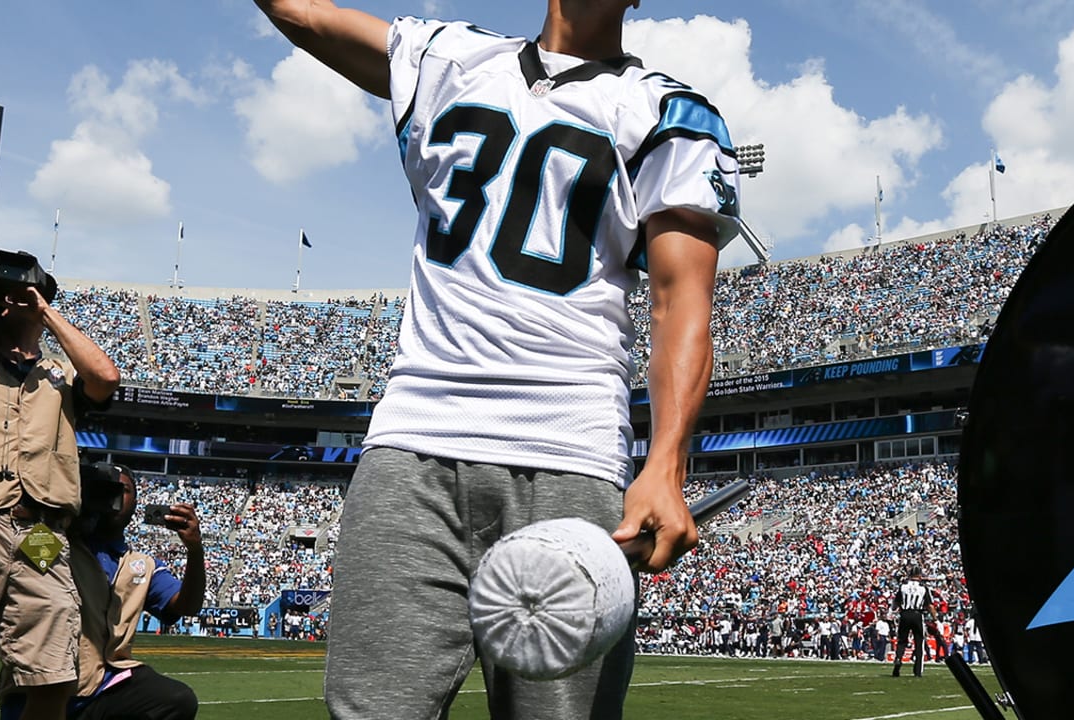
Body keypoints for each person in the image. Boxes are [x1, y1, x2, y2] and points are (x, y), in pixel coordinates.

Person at [251, 1, 740, 718]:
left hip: (569, 455)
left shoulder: (671, 111)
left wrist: (665, 463)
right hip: (413, 442)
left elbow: (679, 298)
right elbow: (304, 17)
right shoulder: (449, 57)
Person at [0, 255, 120, 720]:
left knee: (53, 677)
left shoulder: (61, 376)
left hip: (40, 536)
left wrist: (43, 312)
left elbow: (105, 377)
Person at [61, 463, 204, 719]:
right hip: (49, 681)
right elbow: (27, 562)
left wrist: (195, 551)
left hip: (107, 683)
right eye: (105, 489)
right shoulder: (59, 542)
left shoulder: (143, 565)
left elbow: (186, 606)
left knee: (177, 700)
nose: (112, 496)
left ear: (137, 502)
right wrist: (65, 518)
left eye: (122, 490)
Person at [892, 568, 936, 678]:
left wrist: (895, 609)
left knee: (902, 640)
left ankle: (898, 658)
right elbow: (929, 605)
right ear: (919, 575)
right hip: (917, 615)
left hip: (905, 614)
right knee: (919, 642)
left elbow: (896, 603)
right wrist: (935, 618)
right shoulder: (923, 588)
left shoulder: (903, 586)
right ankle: (917, 671)